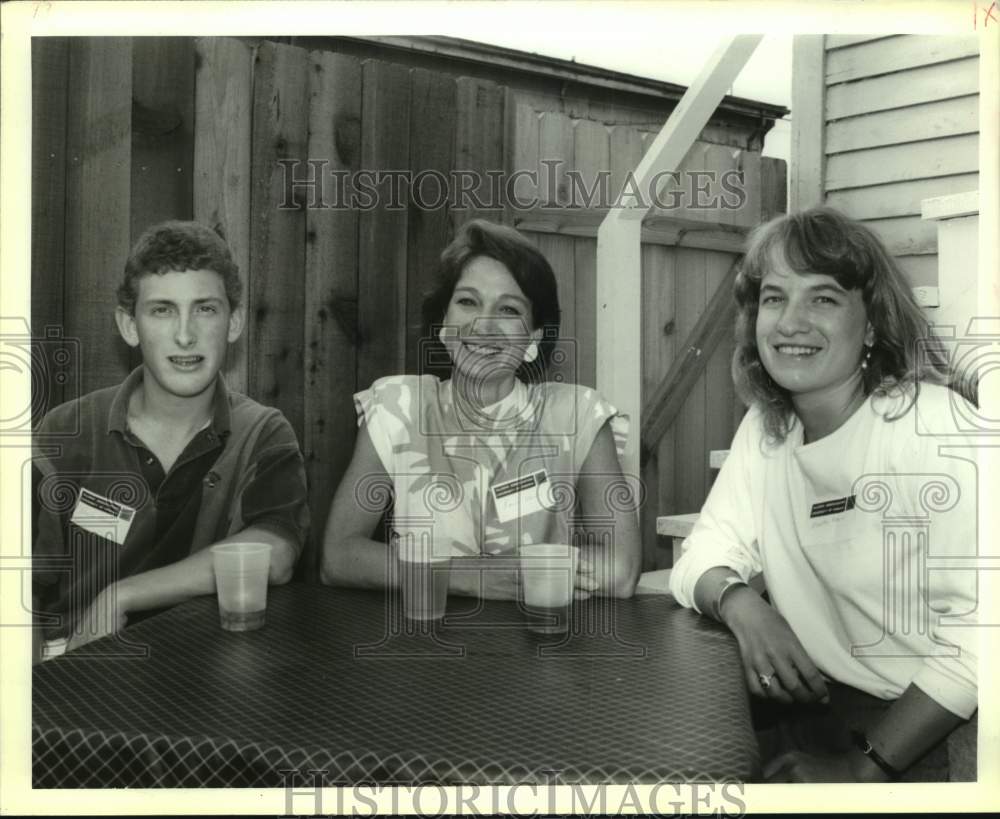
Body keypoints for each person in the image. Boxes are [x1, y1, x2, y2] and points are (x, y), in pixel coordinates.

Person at [669, 206, 979, 782]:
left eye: (823, 298)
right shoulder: (769, 430)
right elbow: (700, 558)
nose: (790, 322)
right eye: (775, 297)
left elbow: (987, 633)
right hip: (822, 706)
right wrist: (742, 605)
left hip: (940, 733)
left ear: (872, 323)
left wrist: (862, 769)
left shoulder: (934, 427)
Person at [32, 221, 309, 661]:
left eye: (205, 309)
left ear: (234, 322)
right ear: (128, 325)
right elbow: (23, 589)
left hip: (204, 669)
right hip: (75, 661)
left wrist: (122, 595)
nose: (185, 334)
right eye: (162, 310)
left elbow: (274, 552)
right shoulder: (67, 429)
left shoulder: (263, 432)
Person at [321, 219, 641, 599]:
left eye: (508, 309)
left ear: (534, 337)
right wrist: (476, 575)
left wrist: (530, 575)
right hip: (422, 640)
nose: (483, 325)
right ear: (443, 323)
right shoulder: (397, 405)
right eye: (467, 302)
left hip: (543, 643)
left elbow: (620, 570)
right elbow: (338, 557)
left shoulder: (577, 414)